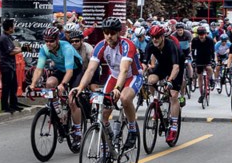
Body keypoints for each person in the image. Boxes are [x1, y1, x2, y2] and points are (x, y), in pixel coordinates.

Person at [73, 17, 143, 152]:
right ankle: (106, 146)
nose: (109, 36)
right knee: (103, 113)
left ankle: (132, 129)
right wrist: (80, 88)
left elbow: (124, 70)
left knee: (124, 98)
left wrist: (117, 88)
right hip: (114, 76)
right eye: (106, 32)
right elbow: (91, 69)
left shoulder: (127, 45)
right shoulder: (100, 46)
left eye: (112, 33)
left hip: (132, 76)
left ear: (118, 33)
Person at [143, 24, 182, 144]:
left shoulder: (171, 45)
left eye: (158, 36)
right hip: (163, 66)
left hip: (176, 66)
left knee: (173, 95)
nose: (155, 39)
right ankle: (156, 103)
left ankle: (174, 126)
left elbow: (176, 67)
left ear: (163, 36)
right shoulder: (150, 45)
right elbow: (144, 63)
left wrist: (170, 81)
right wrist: (141, 74)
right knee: (150, 80)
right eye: (153, 36)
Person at [0, 19, 24, 113]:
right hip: (6, 65)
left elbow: (13, 48)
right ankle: (5, 106)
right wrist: (22, 50)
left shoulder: (8, 37)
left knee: (13, 86)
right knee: (7, 86)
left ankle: (13, 104)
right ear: (10, 28)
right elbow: (11, 52)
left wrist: (21, 48)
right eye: (13, 26)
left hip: (10, 65)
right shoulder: (4, 38)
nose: (14, 28)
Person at [191, 25, 216, 104]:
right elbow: (193, 51)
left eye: (203, 34)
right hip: (199, 58)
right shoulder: (195, 40)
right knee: (200, 76)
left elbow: (212, 51)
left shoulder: (210, 40)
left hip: (207, 57)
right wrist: (194, 60)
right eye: (200, 34)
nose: (201, 36)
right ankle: (202, 94)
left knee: (209, 68)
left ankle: (211, 79)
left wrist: (213, 60)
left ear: (205, 34)